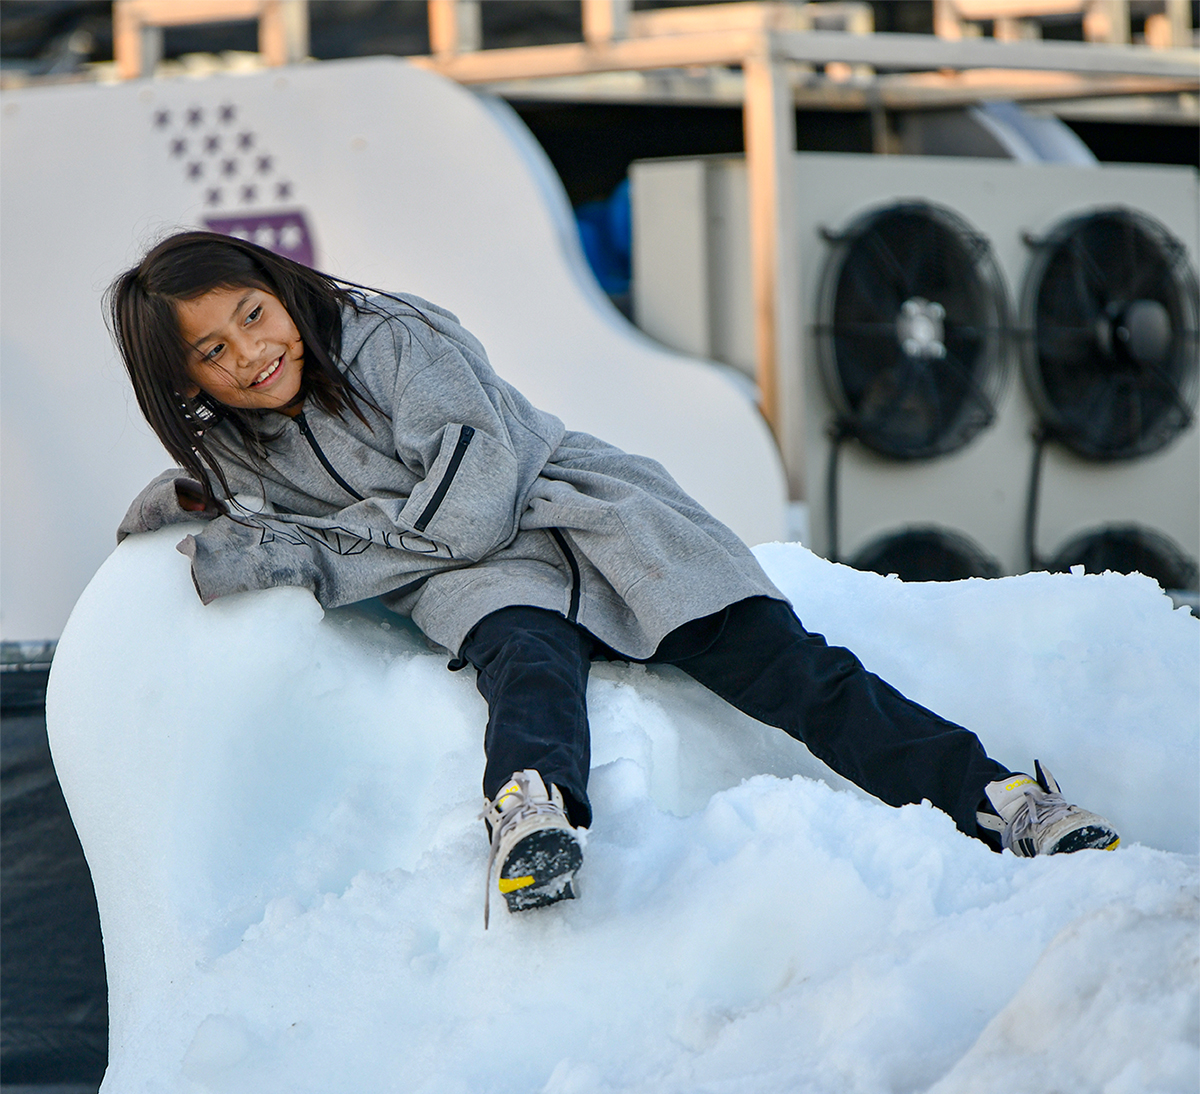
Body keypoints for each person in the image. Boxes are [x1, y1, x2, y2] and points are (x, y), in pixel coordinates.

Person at [108, 232, 1118, 923]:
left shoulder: (391, 339)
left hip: (578, 513)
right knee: (523, 658)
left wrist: (328, 555)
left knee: (789, 671)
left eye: (253, 313)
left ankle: (1005, 800)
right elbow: (287, 519)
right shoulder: (233, 440)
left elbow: (477, 499)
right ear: (185, 379)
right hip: (486, 578)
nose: (252, 351)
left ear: (280, 286)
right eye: (214, 349)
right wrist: (192, 503)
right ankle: (533, 816)